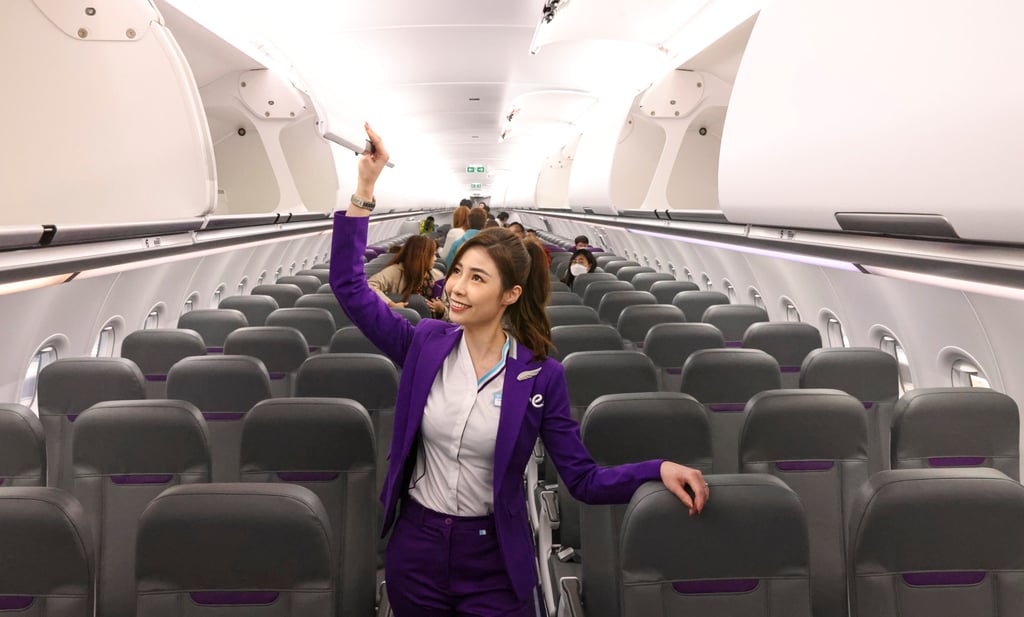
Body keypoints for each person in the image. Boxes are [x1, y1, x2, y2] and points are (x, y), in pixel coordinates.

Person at [329, 124, 708, 617]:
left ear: (510, 295)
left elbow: (583, 480)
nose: (457, 288)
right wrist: (364, 189)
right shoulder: (424, 342)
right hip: (416, 547)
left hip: (492, 557)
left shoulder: (540, 376)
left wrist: (656, 469)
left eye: (477, 278)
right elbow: (349, 286)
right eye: (458, 272)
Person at [368, 234, 447, 318]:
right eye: (433, 255)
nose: (435, 259)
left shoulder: (437, 276)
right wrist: (390, 304)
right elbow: (370, 285)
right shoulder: (396, 271)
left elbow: (449, 313)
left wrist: (442, 310)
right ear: (422, 256)